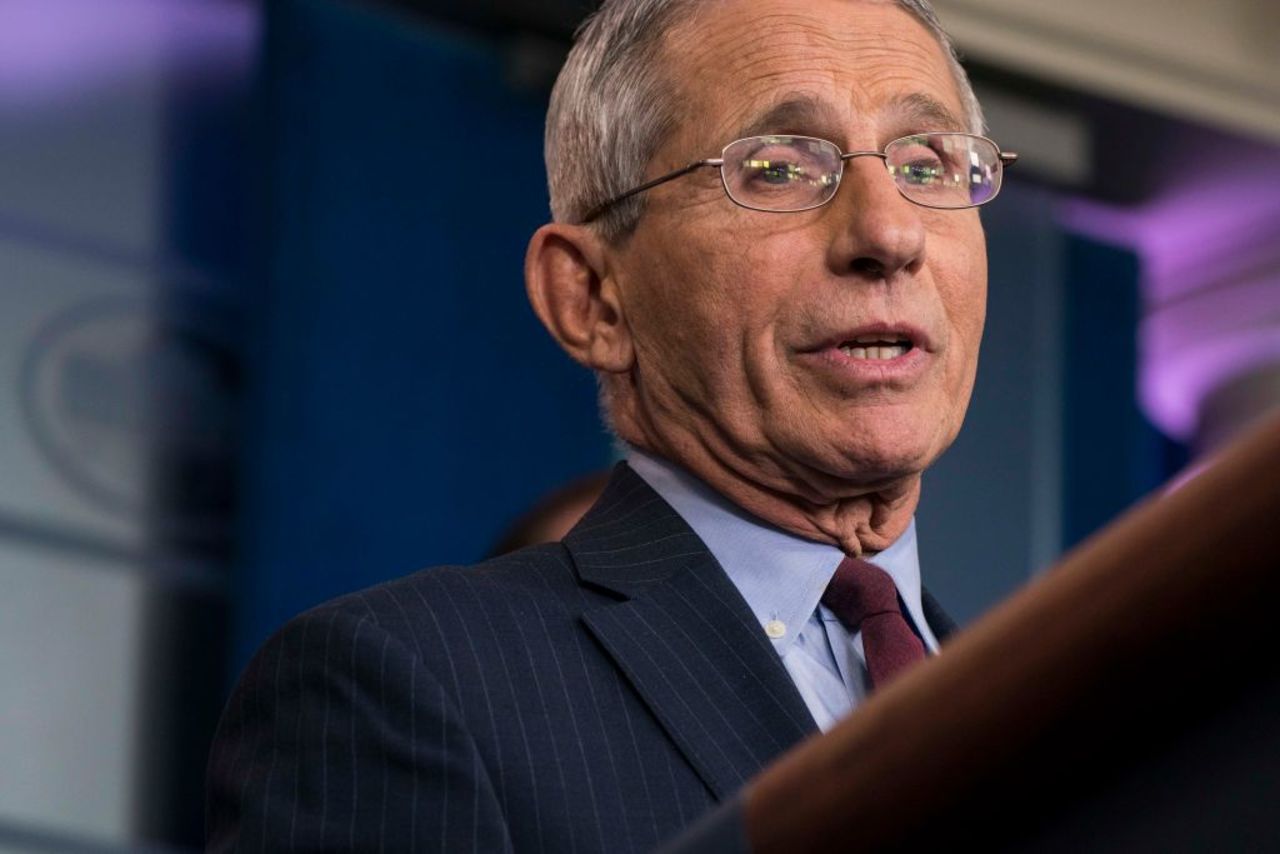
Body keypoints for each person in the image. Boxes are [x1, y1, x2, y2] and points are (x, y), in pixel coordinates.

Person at [205, 0, 1017, 849]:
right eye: (778, 168)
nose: (889, 233)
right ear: (591, 297)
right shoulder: (411, 684)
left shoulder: (1065, 713)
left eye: (928, 165)